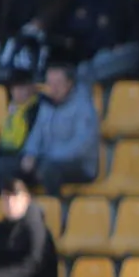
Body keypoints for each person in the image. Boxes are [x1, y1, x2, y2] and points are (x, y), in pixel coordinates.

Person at [18, 64, 99, 195]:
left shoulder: (83, 107)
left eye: (58, 83)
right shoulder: (46, 105)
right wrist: (30, 154)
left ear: (69, 84)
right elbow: (36, 134)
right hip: (47, 159)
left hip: (79, 165)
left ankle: (55, 207)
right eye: (50, 83)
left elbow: (80, 146)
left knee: (48, 170)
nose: (53, 88)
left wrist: (47, 157)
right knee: (10, 167)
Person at [0, 175, 57, 277]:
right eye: (6, 198)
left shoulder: (36, 228)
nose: (10, 203)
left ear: (26, 199)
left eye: (15, 197)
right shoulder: (1, 228)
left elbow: (35, 263)